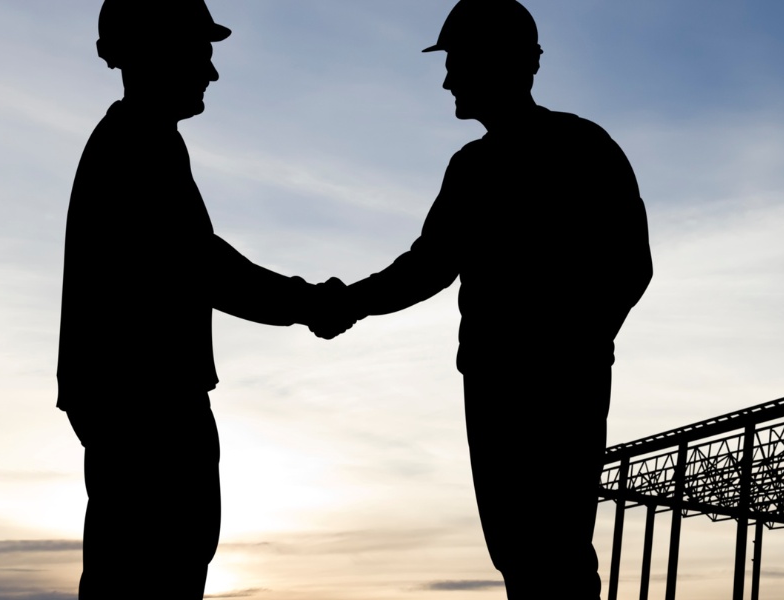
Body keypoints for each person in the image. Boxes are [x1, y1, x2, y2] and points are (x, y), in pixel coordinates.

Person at [316, 0, 651, 596]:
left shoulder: (579, 146)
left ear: (501, 63)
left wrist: (570, 348)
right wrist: (352, 301)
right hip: (499, 383)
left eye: (457, 63)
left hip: (551, 385)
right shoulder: (474, 165)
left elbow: (630, 265)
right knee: (521, 552)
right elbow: (429, 266)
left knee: (553, 550)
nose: (446, 79)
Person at [58, 1, 352, 596]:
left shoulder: (138, 141)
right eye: (201, 52)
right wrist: (307, 303)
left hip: (135, 401)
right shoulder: (139, 145)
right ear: (156, 51)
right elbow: (202, 265)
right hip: (149, 404)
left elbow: (196, 260)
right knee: (154, 570)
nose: (212, 72)